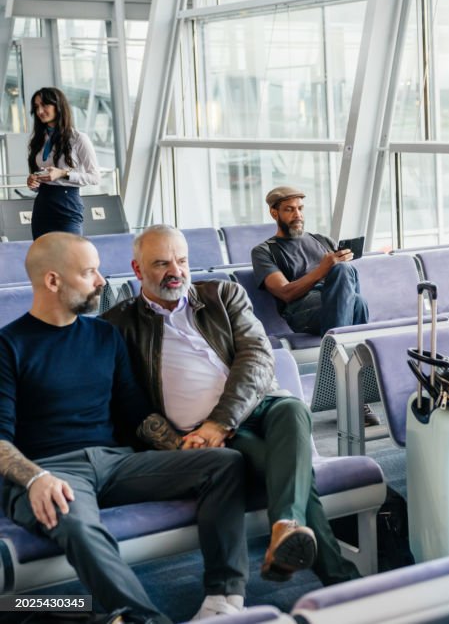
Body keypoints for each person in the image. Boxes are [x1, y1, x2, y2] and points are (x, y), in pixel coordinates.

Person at [0, 233, 248, 623]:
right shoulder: (8, 346)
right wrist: (35, 480)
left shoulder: (104, 335)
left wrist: (183, 448)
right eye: (89, 272)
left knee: (223, 463)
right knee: (75, 521)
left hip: (114, 463)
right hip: (51, 471)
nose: (102, 280)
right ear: (53, 281)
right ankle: (143, 620)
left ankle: (224, 597)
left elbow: (136, 412)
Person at [104, 225, 360, 586]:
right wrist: (183, 441)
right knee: (283, 468)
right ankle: (325, 565)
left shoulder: (222, 294)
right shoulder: (119, 324)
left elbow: (257, 357)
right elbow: (127, 404)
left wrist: (221, 420)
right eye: (162, 264)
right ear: (137, 270)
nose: (175, 271)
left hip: (255, 409)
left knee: (291, 408)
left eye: (181, 260)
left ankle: (295, 535)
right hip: (208, 437)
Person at [251, 187, 377, 426]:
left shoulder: (321, 241)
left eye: (299, 208)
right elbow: (285, 293)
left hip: (338, 303)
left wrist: (338, 266)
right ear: (274, 213)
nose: (297, 214)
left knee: (354, 291)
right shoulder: (264, 251)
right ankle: (350, 388)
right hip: (302, 311)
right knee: (343, 276)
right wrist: (323, 270)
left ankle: (343, 377)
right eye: (289, 210)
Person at [25, 87, 101, 239]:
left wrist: (63, 174)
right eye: (36, 107)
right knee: (43, 259)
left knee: (71, 258)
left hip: (68, 205)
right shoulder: (38, 140)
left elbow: (95, 177)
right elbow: (40, 176)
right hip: (42, 205)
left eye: (45, 105)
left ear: (58, 106)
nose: (40, 111)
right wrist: (33, 181)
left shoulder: (78, 139)